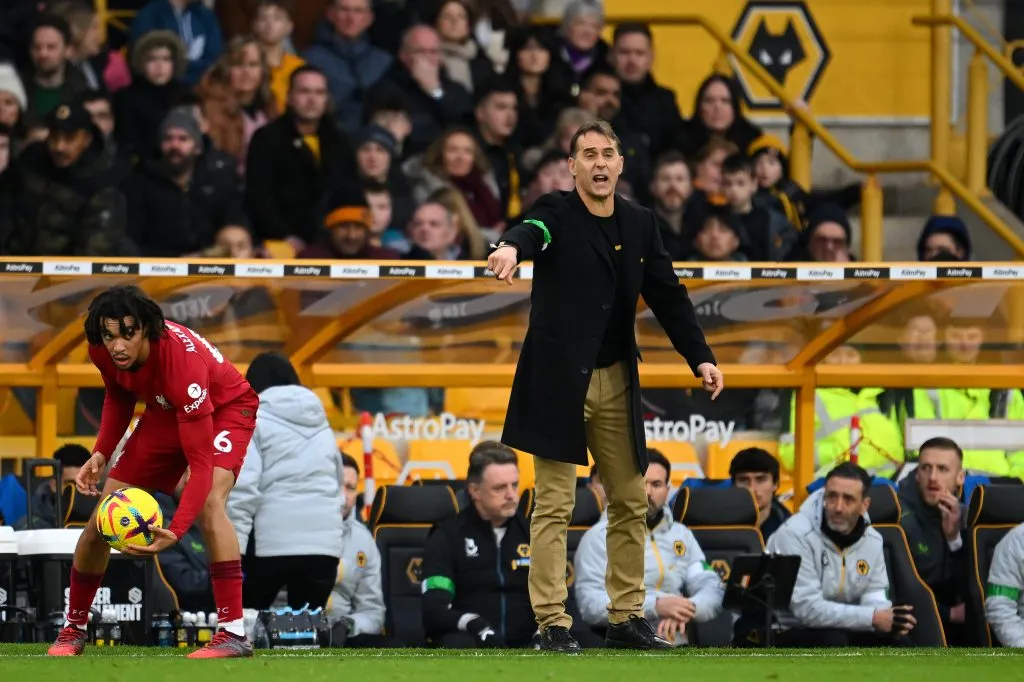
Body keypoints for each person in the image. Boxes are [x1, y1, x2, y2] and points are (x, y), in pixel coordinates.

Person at [486, 120, 722, 653]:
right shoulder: (555, 211)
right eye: (587, 154)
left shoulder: (640, 222)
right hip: (557, 381)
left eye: (607, 153)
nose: (598, 162)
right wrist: (509, 248)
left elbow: (668, 293)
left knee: (631, 499)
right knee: (553, 503)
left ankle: (625, 617)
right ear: (572, 167)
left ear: (620, 164)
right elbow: (533, 231)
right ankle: (551, 621)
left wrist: (700, 357)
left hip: (616, 376)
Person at [46, 285, 259, 659]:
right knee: (102, 518)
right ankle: (73, 629)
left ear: (147, 329)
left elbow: (201, 465)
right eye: (110, 336)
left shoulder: (182, 366)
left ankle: (232, 632)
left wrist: (175, 532)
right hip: (164, 410)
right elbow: (119, 394)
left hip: (224, 407)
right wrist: (101, 452)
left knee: (210, 504)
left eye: (128, 334)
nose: (117, 346)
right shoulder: (101, 348)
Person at [738, 462, 916, 648]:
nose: (838, 507)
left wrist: (890, 620)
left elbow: (874, 595)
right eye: (832, 497)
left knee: (900, 644)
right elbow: (807, 610)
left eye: (848, 499)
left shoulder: (873, 540)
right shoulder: (794, 534)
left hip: (842, 628)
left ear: (864, 505)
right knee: (833, 641)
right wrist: (871, 618)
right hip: (783, 629)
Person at [227, 352, 343, 612]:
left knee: (246, 626)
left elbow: (243, 490)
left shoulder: (253, 421)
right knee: (306, 635)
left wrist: (234, 550)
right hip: (324, 550)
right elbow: (338, 487)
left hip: (270, 549)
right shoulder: (324, 426)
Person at [574, 450, 723, 645]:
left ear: (668, 490)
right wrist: (657, 606)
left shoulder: (681, 534)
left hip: (678, 639)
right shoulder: (599, 536)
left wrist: (686, 608)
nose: (648, 492)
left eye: (656, 484)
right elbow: (589, 604)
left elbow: (710, 585)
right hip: (623, 646)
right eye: (641, 483)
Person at [421, 442, 534, 648]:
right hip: (472, 644)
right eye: (500, 488)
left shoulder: (533, 535)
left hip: (529, 645)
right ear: (475, 491)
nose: (511, 495)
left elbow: (560, 600)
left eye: (514, 485)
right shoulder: (446, 536)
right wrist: (473, 623)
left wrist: (543, 633)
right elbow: (433, 611)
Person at [898, 436, 968, 644]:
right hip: (914, 625)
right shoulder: (900, 518)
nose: (933, 477)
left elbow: (970, 583)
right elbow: (901, 590)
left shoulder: (967, 513)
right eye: (926, 468)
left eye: (943, 469)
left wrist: (954, 539)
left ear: (960, 478)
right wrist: (948, 614)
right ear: (917, 474)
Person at [328, 454, 386, 646]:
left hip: (342, 638)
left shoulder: (364, 540)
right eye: (337, 486)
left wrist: (348, 624)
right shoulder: (286, 530)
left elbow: (373, 612)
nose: (343, 497)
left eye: (350, 488)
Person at [728, 447, 791, 541]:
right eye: (744, 480)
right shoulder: (718, 525)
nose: (752, 488)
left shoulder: (790, 528)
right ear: (733, 485)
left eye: (760, 479)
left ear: (776, 484)